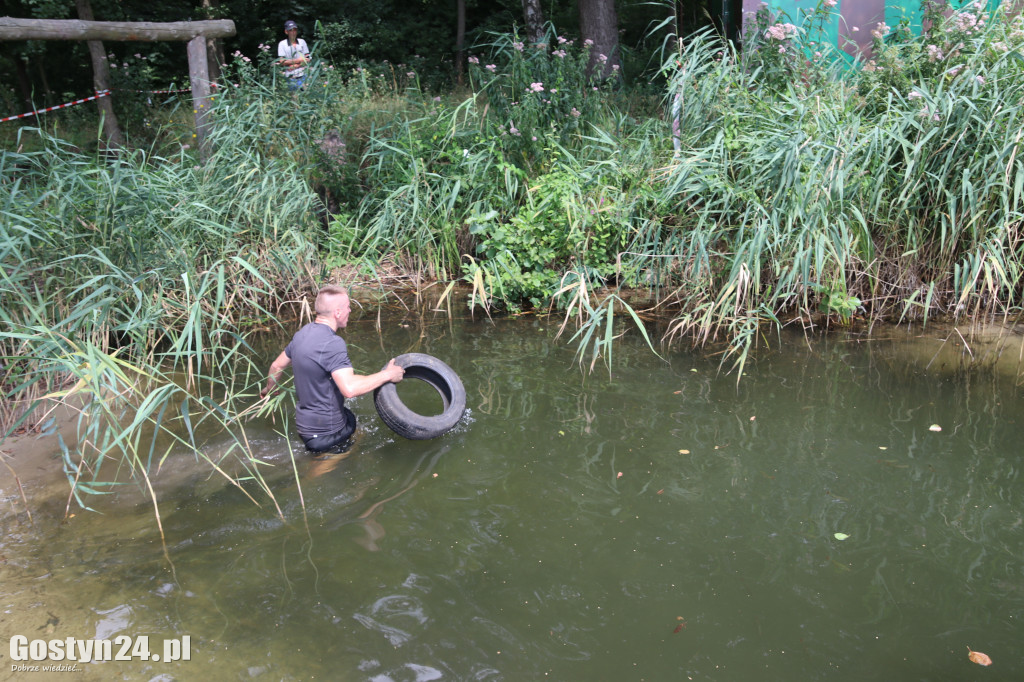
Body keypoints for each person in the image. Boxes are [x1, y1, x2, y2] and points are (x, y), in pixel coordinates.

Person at [263, 285, 404, 454]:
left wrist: (270, 389)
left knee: (353, 422)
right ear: (337, 312)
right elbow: (349, 390)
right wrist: (389, 374)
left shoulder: (302, 334)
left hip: (305, 427)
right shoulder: (333, 343)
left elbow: (276, 366)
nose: (350, 311)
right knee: (339, 459)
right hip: (327, 433)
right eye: (348, 307)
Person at [277, 19, 310, 89]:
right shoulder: (282, 44)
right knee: (294, 98)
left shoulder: (302, 42)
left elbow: (308, 59)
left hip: (303, 75)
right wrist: (299, 60)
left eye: (295, 30)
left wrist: (295, 65)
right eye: (291, 30)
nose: (293, 32)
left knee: (306, 96)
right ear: (286, 32)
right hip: (290, 77)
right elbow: (282, 61)